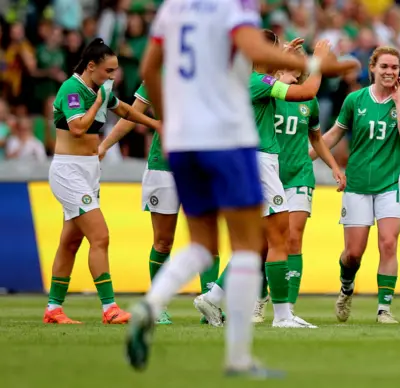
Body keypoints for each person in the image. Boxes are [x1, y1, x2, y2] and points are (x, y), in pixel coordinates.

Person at [125, 0, 358, 376]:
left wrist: (168, 118)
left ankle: (151, 305)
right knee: (257, 244)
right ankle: (246, 349)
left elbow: (150, 67)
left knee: (203, 245)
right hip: (233, 144)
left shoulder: (173, 9)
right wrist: (316, 62)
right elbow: (256, 53)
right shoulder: (234, 12)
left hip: (184, 141)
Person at [193, 33, 348, 329]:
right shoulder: (255, 82)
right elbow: (303, 93)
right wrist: (317, 62)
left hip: (248, 161)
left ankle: (213, 297)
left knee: (260, 243)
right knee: (279, 237)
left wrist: (284, 53)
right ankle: (282, 316)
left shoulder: (247, 80)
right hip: (259, 162)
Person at [45, 38, 161, 325]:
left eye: (115, 71)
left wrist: (157, 124)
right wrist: (99, 99)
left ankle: (53, 310)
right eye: (109, 71)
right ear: (91, 66)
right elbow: (77, 129)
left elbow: (125, 111)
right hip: (68, 171)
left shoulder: (99, 89)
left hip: (88, 170)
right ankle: (110, 309)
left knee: (70, 242)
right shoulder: (72, 89)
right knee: (100, 236)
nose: (113, 76)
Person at [98, 83, 222, 325]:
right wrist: (104, 145)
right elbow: (131, 115)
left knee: (208, 239)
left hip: (202, 166)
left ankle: (211, 304)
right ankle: (158, 304)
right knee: (163, 241)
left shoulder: (213, 71)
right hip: (164, 167)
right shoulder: (159, 74)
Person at [315, 46, 400, 324]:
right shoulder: (355, 100)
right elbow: (332, 135)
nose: (390, 72)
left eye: (394, 67)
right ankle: (346, 287)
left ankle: (384, 308)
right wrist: (303, 159)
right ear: (373, 69)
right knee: (354, 253)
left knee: (389, 243)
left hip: (391, 183)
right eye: (384, 67)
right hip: (357, 184)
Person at [255, 46, 346, 321]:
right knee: (264, 244)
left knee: (293, 238)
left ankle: (288, 308)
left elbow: (316, 139)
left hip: (299, 174)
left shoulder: (310, 102)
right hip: (269, 174)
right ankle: (259, 300)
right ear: (277, 70)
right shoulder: (269, 94)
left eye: (298, 73)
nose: (295, 77)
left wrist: (334, 167)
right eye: (289, 71)